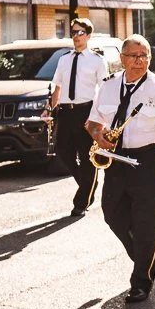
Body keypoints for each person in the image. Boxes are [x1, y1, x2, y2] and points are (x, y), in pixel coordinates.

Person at [87, 34, 155, 302]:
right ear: (121, 58)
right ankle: (143, 255)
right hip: (116, 160)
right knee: (112, 213)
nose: (139, 62)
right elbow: (92, 123)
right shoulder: (107, 86)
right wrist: (100, 137)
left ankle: (141, 281)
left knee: (149, 224)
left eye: (145, 57)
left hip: (148, 163)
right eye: (134, 56)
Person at [46, 18, 108, 217]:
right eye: (73, 32)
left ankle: (81, 202)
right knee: (63, 151)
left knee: (87, 156)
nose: (75, 36)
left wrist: (98, 118)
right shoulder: (64, 59)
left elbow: (103, 90)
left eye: (80, 32)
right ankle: (88, 183)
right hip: (66, 112)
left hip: (86, 112)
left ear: (88, 36)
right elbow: (58, 86)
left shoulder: (97, 60)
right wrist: (50, 109)